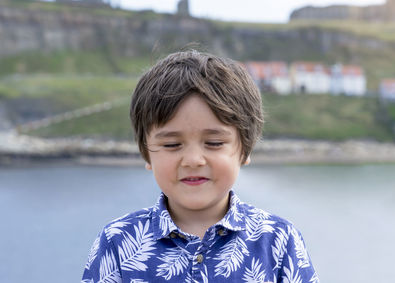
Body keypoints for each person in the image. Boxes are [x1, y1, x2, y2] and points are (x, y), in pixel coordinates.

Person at [81, 50, 319, 283]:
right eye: (173, 144)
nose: (193, 160)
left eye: (214, 143)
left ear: (244, 150)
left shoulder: (279, 241)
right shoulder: (117, 241)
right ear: (146, 153)